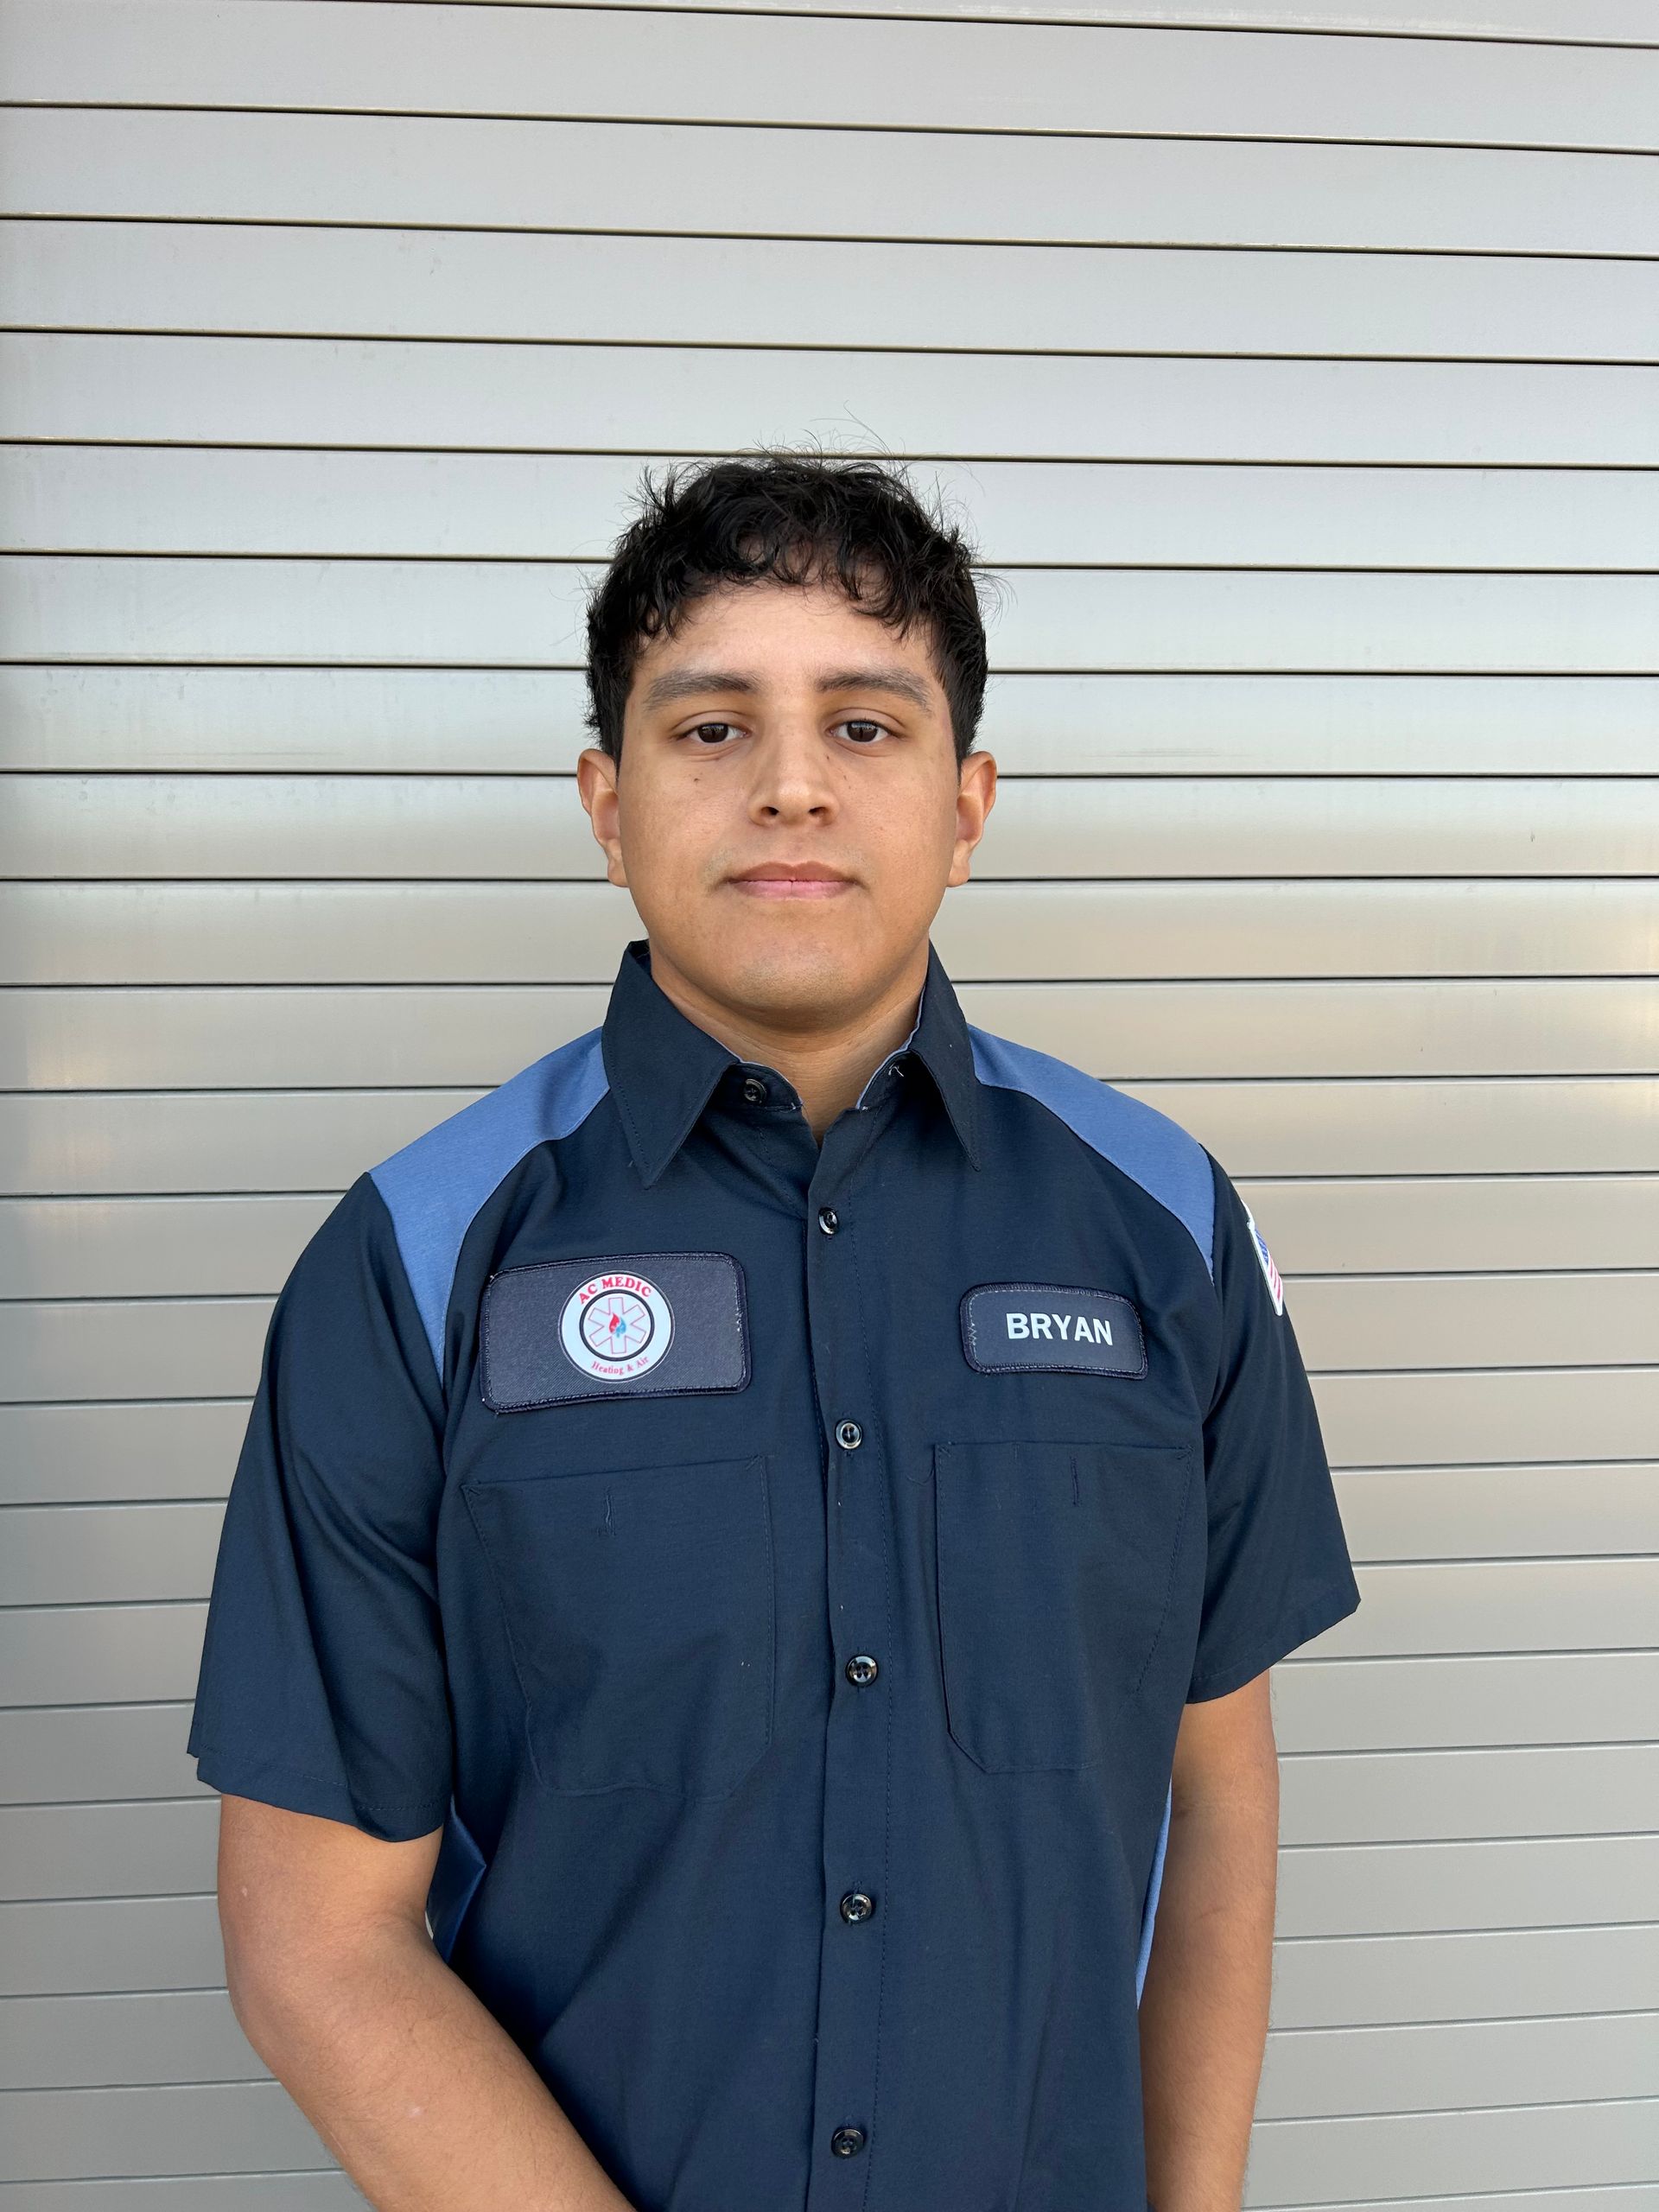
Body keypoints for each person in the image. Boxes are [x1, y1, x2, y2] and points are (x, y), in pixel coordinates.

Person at [188, 449, 1361, 2212]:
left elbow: (1218, 1802)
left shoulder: (1167, 1225)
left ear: (970, 804)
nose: (794, 785)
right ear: (606, 798)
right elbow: (316, 1941)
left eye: (867, 726)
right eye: (714, 725)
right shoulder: (413, 1262)